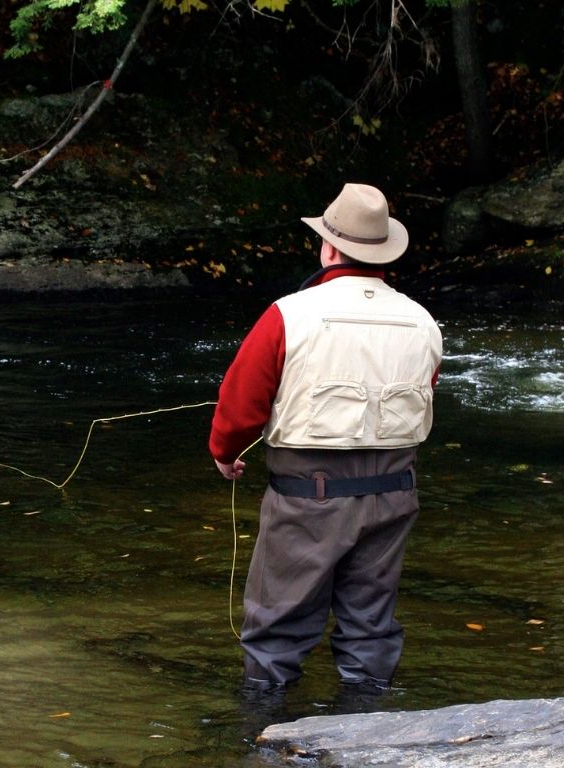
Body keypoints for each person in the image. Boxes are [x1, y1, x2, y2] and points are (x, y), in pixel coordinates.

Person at [209, 183, 442, 696]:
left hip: (307, 496)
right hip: (394, 493)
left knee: (276, 630)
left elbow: (240, 402)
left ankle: (262, 739)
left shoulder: (288, 315)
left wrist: (225, 453)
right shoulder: (423, 322)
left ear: (329, 249)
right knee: (371, 626)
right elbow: (427, 391)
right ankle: (366, 731)